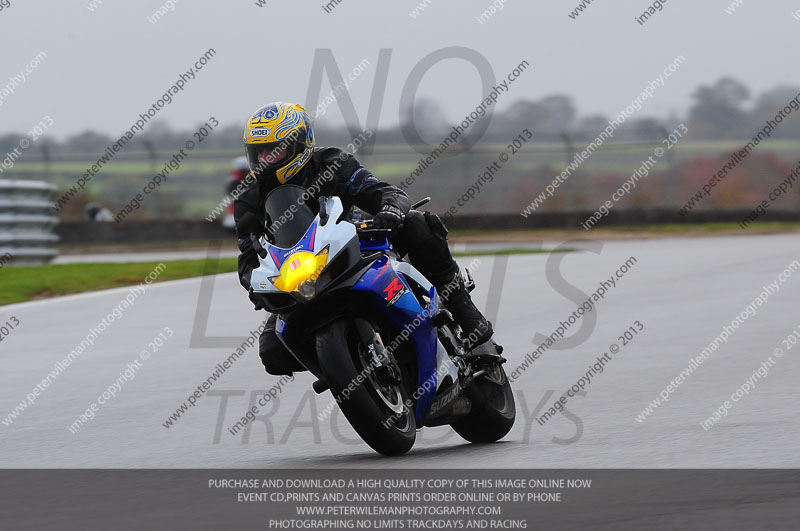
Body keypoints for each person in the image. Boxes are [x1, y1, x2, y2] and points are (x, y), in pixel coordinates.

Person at [235, 102, 493, 376]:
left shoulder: (331, 163)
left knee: (418, 224)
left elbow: (380, 191)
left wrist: (390, 209)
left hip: (353, 244)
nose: (265, 159)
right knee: (272, 353)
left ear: (301, 143)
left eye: (274, 150)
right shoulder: (248, 197)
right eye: (259, 152)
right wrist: (255, 283)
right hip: (300, 273)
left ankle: (465, 313)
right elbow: (248, 256)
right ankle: (346, 368)